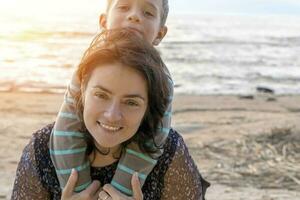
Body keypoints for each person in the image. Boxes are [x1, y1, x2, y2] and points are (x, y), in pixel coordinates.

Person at [11, 29, 209, 200]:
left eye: (131, 102)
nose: (112, 115)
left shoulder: (168, 151)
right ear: (82, 90)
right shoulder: (41, 149)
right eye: (101, 95)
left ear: (149, 106)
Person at [50, 0, 172, 194]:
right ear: (104, 22)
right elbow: (66, 131)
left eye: (148, 13)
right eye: (123, 7)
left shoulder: (162, 80)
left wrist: (119, 192)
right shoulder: (88, 66)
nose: (134, 16)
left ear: (160, 33)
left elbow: (152, 139)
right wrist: (79, 190)